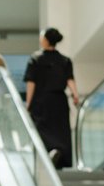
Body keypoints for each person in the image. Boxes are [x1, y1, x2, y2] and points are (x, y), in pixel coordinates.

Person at [23, 27, 77, 169]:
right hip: (59, 101)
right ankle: (61, 157)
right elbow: (70, 80)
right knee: (61, 131)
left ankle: (46, 157)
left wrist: (28, 104)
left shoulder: (36, 59)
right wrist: (75, 95)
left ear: (45, 40)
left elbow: (31, 83)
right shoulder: (65, 60)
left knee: (42, 130)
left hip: (41, 101)